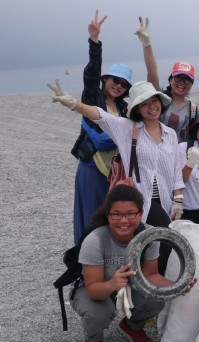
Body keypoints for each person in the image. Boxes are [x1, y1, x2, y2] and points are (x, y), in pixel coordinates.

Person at [49, 80, 185, 276]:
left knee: (152, 245)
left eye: (154, 101)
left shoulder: (170, 134)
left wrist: (178, 198)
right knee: (160, 239)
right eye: (145, 103)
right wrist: (73, 103)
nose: (151, 106)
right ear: (137, 108)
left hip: (164, 200)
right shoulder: (127, 128)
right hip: (137, 201)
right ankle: (142, 284)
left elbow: (175, 169)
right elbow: (100, 116)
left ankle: (151, 284)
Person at [70, 184, 196, 342]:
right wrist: (112, 284)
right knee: (98, 312)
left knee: (157, 297)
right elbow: (93, 289)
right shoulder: (95, 240)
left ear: (140, 213)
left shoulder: (149, 235)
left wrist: (176, 286)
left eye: (130, 214)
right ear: (108, 214)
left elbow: (151, 275)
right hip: (97, 287)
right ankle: (94, 340)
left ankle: (131, 326)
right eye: (117, 214)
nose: (124, 220)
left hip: (130, 283)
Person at [72, 10, 133, 245]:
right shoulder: (92, 97)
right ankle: (85, 265)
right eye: (115, 80)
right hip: (91, 165)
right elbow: (90, 73)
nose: (118, 86)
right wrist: (94, 41)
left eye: (123, 84)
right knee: (91, 214)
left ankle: (109, 260)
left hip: (116, 169)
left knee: (114, 214)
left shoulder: (125, 109)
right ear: (105, 79)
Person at [135, 17, 199, 143]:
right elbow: (152, 70)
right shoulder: (159, 98)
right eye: (178, 78)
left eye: (187, 80)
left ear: (191, 84)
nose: (182, 83)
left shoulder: (194, 110)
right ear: (170, 80)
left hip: (179, 159)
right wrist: (147, 45)